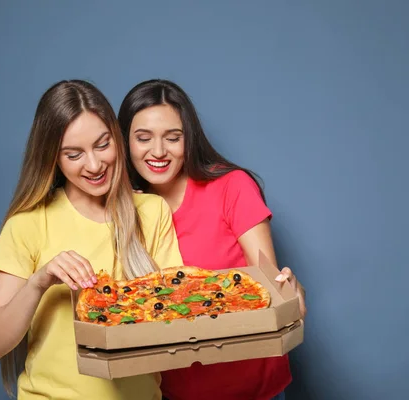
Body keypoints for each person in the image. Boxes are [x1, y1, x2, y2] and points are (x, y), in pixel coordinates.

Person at [0, 80, 183, 400]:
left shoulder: (152, 212)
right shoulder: (29, 224)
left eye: (103, 145)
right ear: (53, 158)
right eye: (74, 154)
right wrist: (39, 282)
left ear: (117, 138)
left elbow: (177, 315)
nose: (94, 164)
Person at [118, 79, 307, 400]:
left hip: (254, 388)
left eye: (172, 138)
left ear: (188, 139)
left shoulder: (232, 187)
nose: (159, 151)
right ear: (125, 143)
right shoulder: (125, 211)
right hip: (176, 392)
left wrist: (292, 293)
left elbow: (271, 281)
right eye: (143, 138)